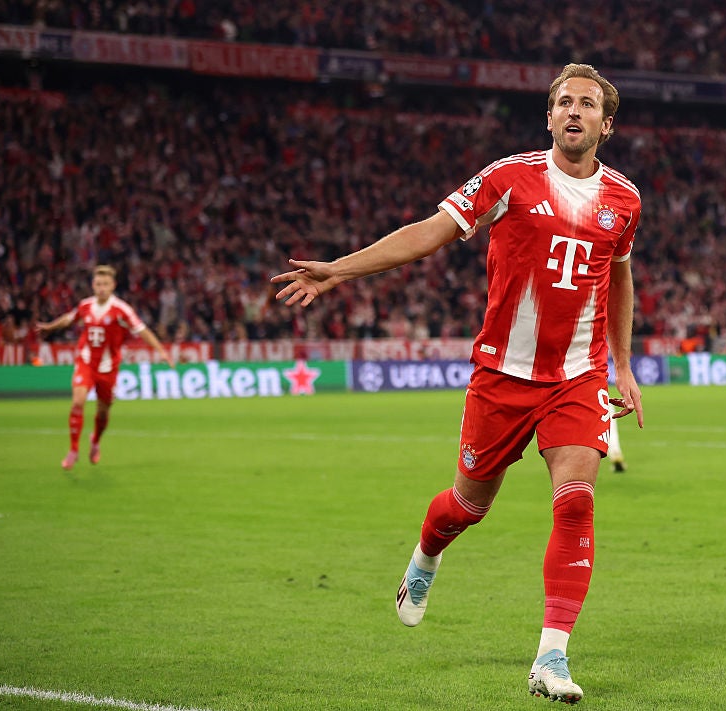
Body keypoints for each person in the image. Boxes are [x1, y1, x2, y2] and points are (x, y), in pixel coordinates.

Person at [272, 63, 644, 704]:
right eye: (564, 102)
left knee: (576, 501)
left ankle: (551, 656)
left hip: (577, 378)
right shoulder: (508, 178)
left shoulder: (625, 200)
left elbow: (618, 275)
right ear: (549, 116)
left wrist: (624, 364)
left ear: (606, 125)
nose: (574, 111)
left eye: (587, 104)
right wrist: (340, 270)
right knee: (467, 507)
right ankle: (425, 555)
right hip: (502, 375)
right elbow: (430, 233)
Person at [35, 265, 173, 469]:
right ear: (93, 285)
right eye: (98, 284)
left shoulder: (121, 310)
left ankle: (95, 441)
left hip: (108, 368)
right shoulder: (85, 305)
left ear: (113, 286)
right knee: (78, 402)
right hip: (86, 362)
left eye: (105, 284)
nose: (101, 288)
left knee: (103, 412)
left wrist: (160, 350)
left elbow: (142, 330)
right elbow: (69, 319)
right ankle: (73, 450)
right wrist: (50, 326)